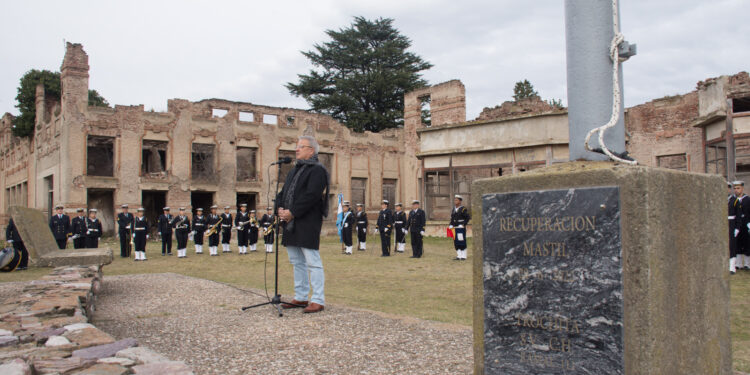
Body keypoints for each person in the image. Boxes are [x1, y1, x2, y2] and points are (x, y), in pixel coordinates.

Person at [277, 135, 329, 314]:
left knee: (312, 262)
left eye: (301, 146)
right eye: (296, 146)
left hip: (307, 221)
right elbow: (283, 192)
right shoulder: (294, 170)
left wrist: (292, 212)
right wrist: (280, 209)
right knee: (296, 261)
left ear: (311, 150)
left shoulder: (318, 170)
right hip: (291, 223)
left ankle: (318, 299)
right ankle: (300, 296)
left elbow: (311, 195)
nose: (296, 149)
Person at [449, 195, 471, 260]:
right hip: (454, 227)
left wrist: (463, 224)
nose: (455, 201)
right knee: (456, 241)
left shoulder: (463, 209)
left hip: (460, 227)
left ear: (460, 201)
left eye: (457, 200)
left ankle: (464, 255)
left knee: (461, 241)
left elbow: (467, 218)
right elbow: (452, 218)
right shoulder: (453, 209)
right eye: (455, 200)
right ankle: (459, 255)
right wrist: (451, 224)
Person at [734, 181, 750, 271]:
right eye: (735, 188)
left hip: (746, 223)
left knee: (747, 243)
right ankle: (738, 264)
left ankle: (747, 264)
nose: (736, 190)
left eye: (738, 188)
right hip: (737, 223)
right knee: (737, 243)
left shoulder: (747, 199)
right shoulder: (733, 200)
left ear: (742, 188)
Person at [729, 182, 739, 274]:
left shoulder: (734, 200)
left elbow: (738, 215)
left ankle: (732, 267)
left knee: (732, 246)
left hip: (732, 223)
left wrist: (737, 227)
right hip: (724, 223)